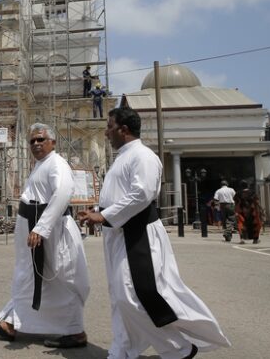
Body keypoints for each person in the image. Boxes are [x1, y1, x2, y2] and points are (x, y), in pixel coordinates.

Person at [79, 107, 230, 359]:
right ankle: (122, 351)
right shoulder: (123, 157)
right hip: (119, 234)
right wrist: (96, 211)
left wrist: (104, 215)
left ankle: (179, 348)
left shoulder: (143, 156)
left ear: (123, 130)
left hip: (137, 235)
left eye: (109, 127)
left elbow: (142, 194)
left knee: (133, 296)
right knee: (119, 297)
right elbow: (119, 194)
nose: (106, 133)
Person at [0, 123, 90, 349]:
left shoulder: (57, 163)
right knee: (28, 277)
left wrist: (41, 228)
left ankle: (75, 331)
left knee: (60, 279)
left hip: (51, 232)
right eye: (32, 141)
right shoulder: (41, 165)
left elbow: (63, 193)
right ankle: (10, 323)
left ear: (53, 142)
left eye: (41, 139)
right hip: (33, 229)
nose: (36, 144)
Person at [234, 180, 263, 244]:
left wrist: (236, 211)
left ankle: (242, 239)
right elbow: (257, 201)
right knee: (255, 224)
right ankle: (255, 239)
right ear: (247, 185)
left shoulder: (238, 193)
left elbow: (236, 203)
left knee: (241, 225)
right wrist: (260, 209)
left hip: (242, 211)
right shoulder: (252, 192)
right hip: (252, 211)